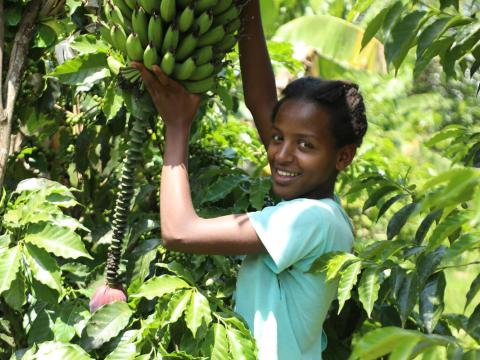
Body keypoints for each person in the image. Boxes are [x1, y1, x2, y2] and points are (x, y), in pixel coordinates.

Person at [132, 0, 367, 358]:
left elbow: (180, 232)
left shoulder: (311, 219)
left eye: (305, 144)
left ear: (342, 156)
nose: (281, 154)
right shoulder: (319, 208)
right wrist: (248, 8)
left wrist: (177, 125)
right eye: (278, 137)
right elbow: (261, 103)